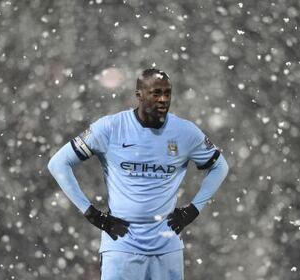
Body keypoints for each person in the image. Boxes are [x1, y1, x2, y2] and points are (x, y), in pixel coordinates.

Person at [47, 68, 229, 280]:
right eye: (156, 93)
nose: (163, 100)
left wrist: (193, 210)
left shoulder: (185, 132)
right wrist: (94, 215)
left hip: (166, 248)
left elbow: (220, 167)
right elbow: (58, 163)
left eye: (167, 94)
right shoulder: (110, 127)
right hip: (121, 246)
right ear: (139, 95)